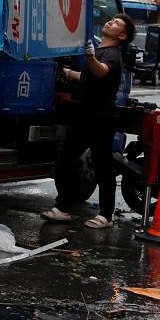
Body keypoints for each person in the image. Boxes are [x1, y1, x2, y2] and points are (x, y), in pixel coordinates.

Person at [42, 13, 134, 228]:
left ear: (122, 35)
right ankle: (62, 208)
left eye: (117, 23)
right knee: (65, 161)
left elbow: (101, 72)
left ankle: (106, 216)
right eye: (112, 19)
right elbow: (87, 77)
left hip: (101, 119)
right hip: (83, 116)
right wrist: (65, 71)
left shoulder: (112, 54)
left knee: (102, 168)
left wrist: (91, 58)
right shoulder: (101, 50)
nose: (111, 22)